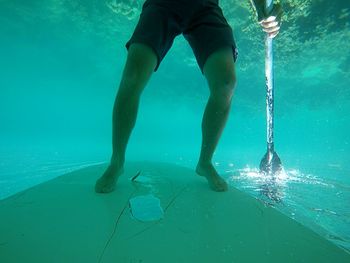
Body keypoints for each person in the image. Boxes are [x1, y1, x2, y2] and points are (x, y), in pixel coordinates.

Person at [95, 0, 282, 193]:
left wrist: (261, 5)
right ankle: (117, 161)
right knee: (134, 74)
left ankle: (205, 162)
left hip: (205, 6)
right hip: (161, 4)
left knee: (226, 82)